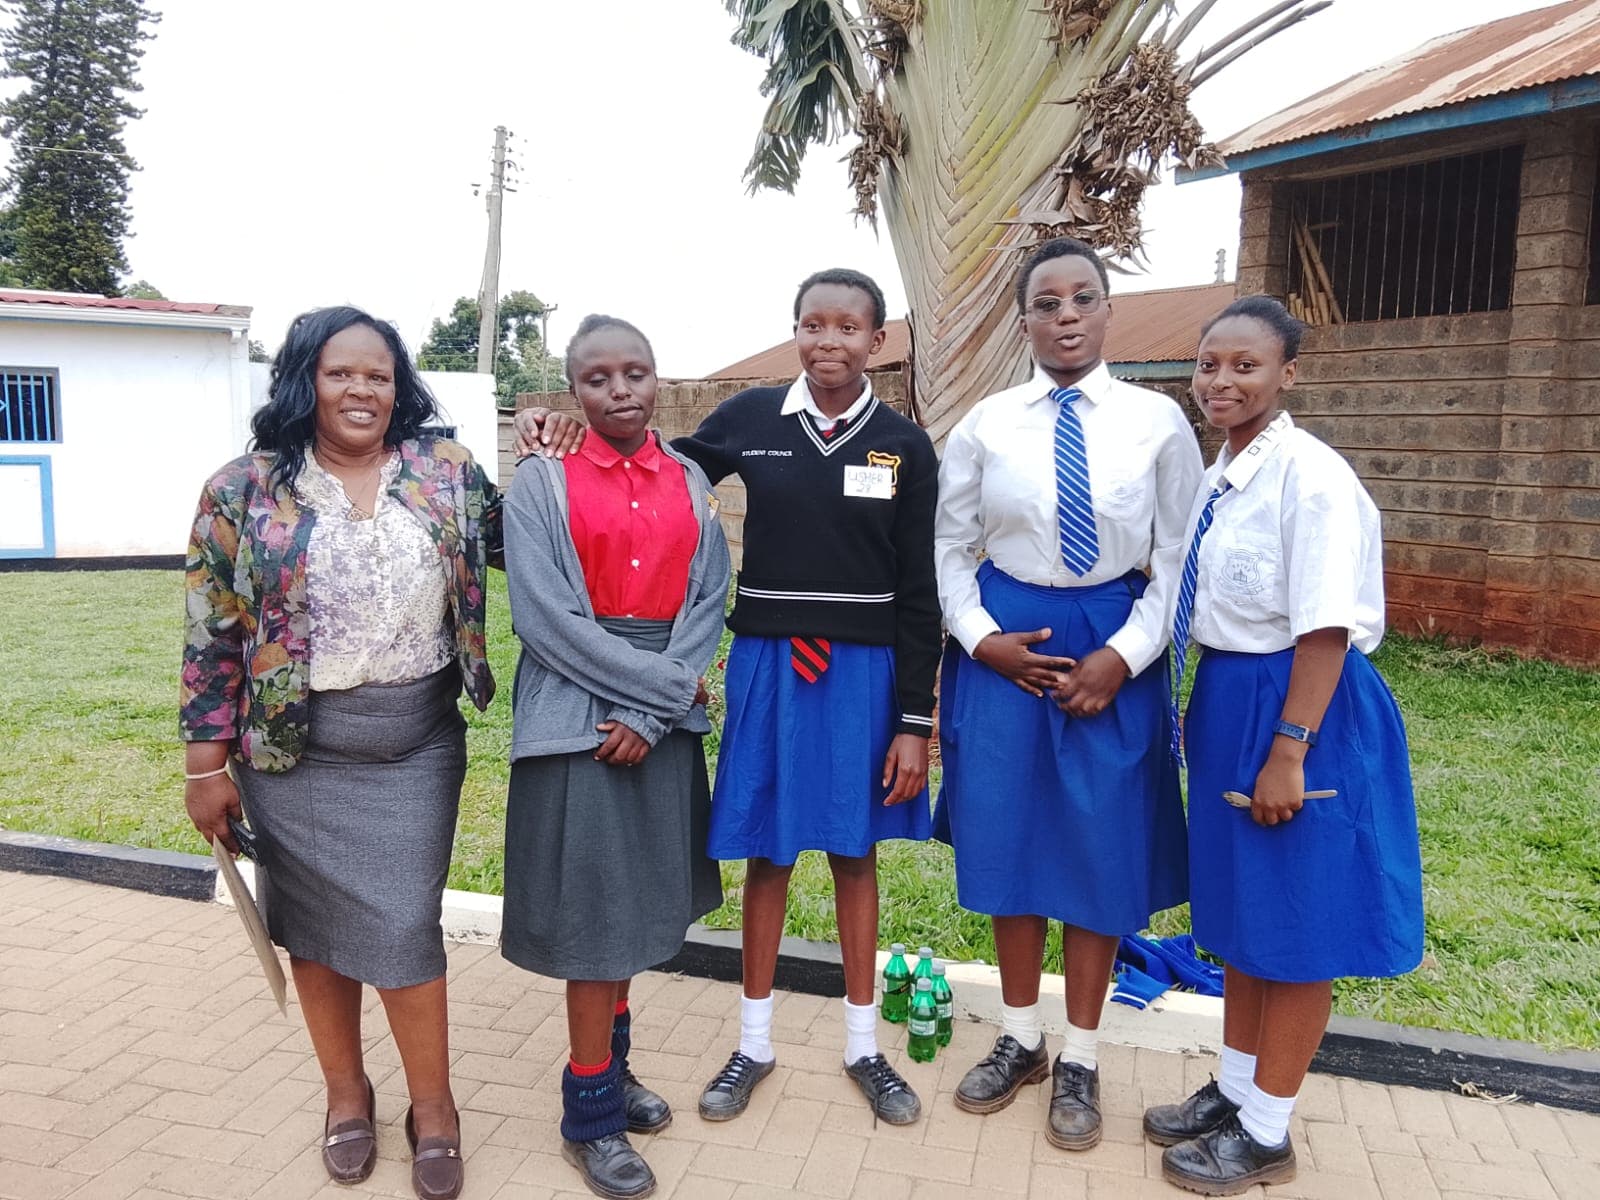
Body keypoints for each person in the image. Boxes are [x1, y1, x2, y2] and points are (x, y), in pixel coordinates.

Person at [516, 268, 941, 1126]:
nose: (829, 341)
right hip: (767, 665)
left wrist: (914, 721)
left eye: (848, 326)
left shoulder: (906, 444)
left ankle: (865, 1046)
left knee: (856, 855)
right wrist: (551, 428)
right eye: (812, 325)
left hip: (862, 675)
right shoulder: (750, 420)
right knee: (768, 853)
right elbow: (655, 473)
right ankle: (753, 1044)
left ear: (878, 339)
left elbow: (920, 590)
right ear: (794, 333)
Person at [181, 306, 499, 1200]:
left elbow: (523, 546)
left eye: (379, 376)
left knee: (404, 928)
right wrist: (205, 768)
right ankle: (346, 1093)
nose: (361, 389)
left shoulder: (447, 473)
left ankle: (433, 1107)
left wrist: (554, 451)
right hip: (292, 756)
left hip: (416, 746)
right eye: (339, 373)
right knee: (314, 934)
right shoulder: (242, 489)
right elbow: (212, 637)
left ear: (400, 389)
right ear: (303, 382)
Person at [1143, 295, 1423, 1196]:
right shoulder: (1226, 472)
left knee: (1298, 919)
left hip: (1302, 703)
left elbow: (1324, 631)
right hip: (1234, 692)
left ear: (1288, 373)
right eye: (1209, 364)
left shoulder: (1311, 476)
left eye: (1245, 365)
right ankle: (1234, 1091)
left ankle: (1267, 1134)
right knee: (1244, 916)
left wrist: (1290, 749)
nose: (1221, 381)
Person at [933, 237, 1202, 1151]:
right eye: (1046, 303)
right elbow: (949, 548)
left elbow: (1176, 560)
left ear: (1108, 309)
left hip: (1112, 645)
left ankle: (1080, 1054)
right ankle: (1020, 1038)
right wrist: (982, 643)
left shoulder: (1158, 423)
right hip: (1008, 644)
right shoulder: (986, 424)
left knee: (1098, 847)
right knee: (1008, 837)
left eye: (1082, 298)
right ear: (1025, 321)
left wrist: (1124, 657)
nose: (1066, 316)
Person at [499, 314, 729, 1199]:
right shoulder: (542, 483)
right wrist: (649, 697)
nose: (620, 390)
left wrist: (653, 703)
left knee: (633, 908)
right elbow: (545, 619)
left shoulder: (690, 477)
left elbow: (709, 598)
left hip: (655, 714)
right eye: (598, 378)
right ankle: (587, 1116)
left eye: (636, 372)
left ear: (657, 380)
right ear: (575, 392)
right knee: (593, 921)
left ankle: (614, 1071)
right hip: (576, 721)